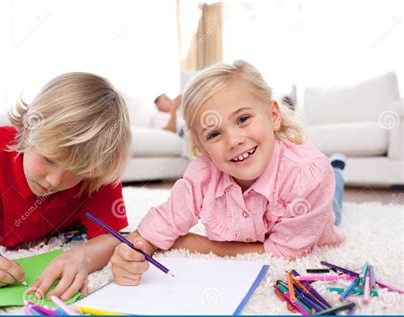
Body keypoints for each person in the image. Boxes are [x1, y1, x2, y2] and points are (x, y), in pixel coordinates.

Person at [110, 60, 346, 286]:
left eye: (243, 119)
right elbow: (165, 220)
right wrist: (135, 249)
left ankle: (335, 170)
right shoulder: (203, 172)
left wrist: (199, 243)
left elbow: (285, 251)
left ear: (273, 116)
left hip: (314, 204)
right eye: (214, 134)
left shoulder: (308, 174)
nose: (234, 141)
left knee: (334, 204)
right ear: (202, 147)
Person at [0, 72, 131, 300]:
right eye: (50, 159)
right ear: (29, 128)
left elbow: (113, 236)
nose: (54, 181)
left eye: (75, 172)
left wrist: (83, 256)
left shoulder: (97, 169)